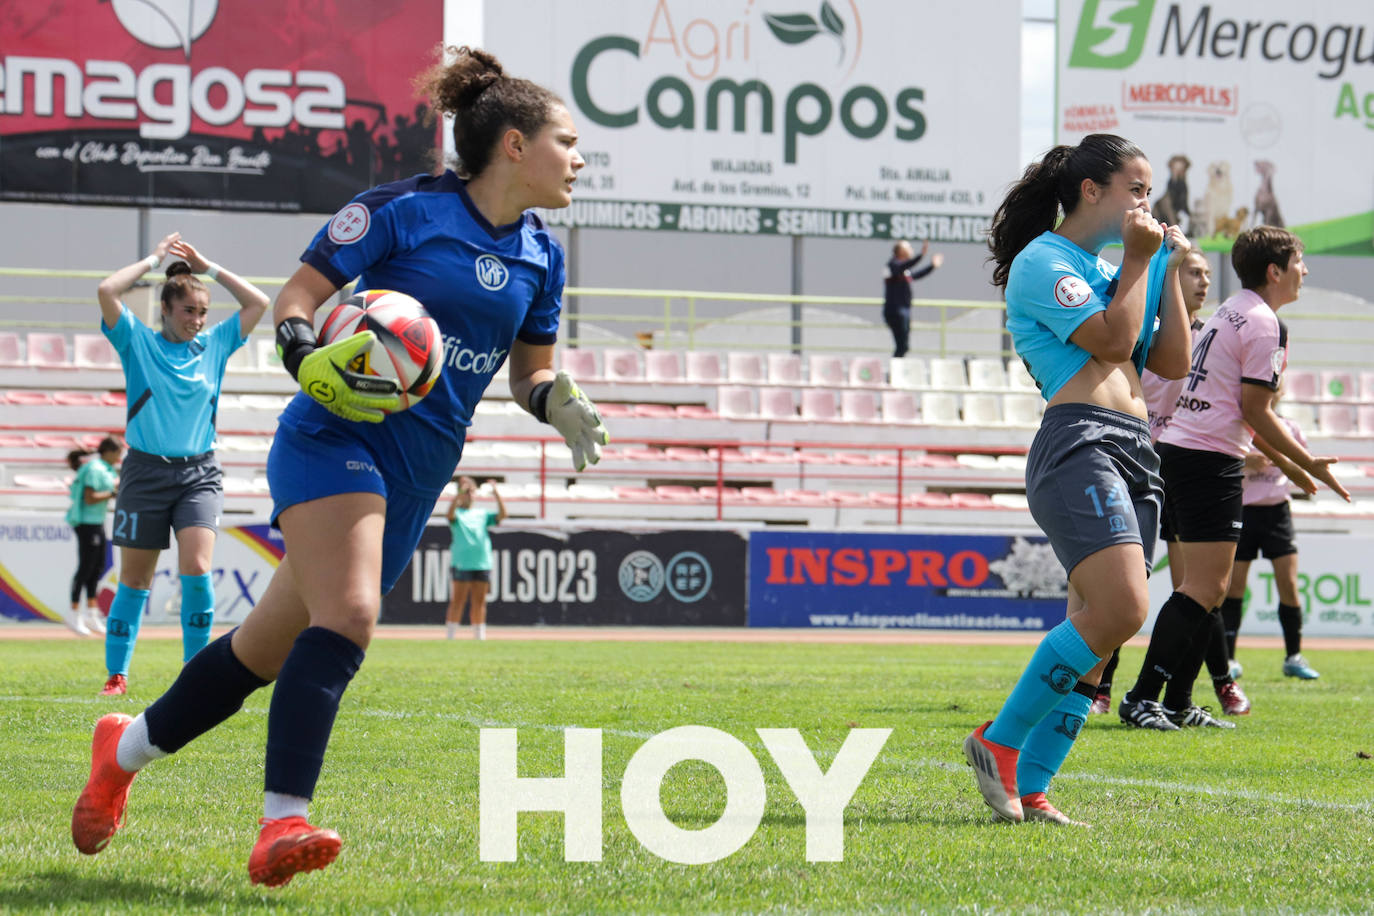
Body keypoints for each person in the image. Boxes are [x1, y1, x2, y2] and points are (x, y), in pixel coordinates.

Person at [71, 45, 608, 888]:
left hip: (419, 471)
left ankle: (123, 751)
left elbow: (528, 371)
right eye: (567, 141)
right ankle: (280, 821)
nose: (578, 159)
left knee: (262, 654)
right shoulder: (400, 211)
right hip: (333, 437)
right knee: (352, 615)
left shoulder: (546, 254)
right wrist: (302, 355)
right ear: (512, 144)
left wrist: (556, 401)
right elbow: (296, 300)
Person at [963, 134, 1193, 825]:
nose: (1147, 203)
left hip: (1134, 447)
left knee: (1098, 632)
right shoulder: (1046, 260)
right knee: (1123, 609)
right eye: (1136, 188)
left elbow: (1172, 363)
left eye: (1150, 191)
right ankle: (995, 743)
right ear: (1092, 191)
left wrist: (1169, 276)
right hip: (1080, 441)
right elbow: (1113, 344)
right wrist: (1140, 263)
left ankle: (1032, 788)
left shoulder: (1127, 264)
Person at [1116, 227, 1349, 729]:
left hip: (1187, 451)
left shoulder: (1230, 310)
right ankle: (1142, 697)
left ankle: (1177, 701)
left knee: (1211, 589)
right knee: (1203, 587)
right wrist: (1306, 463)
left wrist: (1288, 464)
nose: (1304, 271)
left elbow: (1237, 408)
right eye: (1299, 263)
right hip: (1207, 459)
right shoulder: (1265, 324)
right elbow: (1254, 410)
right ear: (1275, 271)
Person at [91, 236, 270, 695]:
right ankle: (117, 674)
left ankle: (196, 671)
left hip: (199, 474)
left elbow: (259, 302)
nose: (198, 320)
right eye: (188, 310)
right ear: (166, 310)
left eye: (202, 312)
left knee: (196, 566)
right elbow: (107, 291)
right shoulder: (137, 342)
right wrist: (154, 260)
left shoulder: (215, 344)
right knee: (135, 580)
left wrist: (208, 268)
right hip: (145, 473)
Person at [1088, 248, 1251, 718]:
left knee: (1198, 587)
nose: (1202, 281)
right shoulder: (1146, 335)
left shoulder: (1213, 340)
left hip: (1182, 470)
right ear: (1168, 281)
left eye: (1204, 273)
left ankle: (1196, 692)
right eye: (1189, 272)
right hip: (1143, 463)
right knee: (1128, 578)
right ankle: (1100, 687)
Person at [1223, 382, 1319, 680]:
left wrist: (1285, 461)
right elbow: (1221, 464)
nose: (1272, 393)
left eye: (1275, 388)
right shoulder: (1239, 426)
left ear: (1280, 393)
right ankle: (1229, 658)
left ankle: (1294, 656)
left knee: (1288, 584)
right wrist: (1245, 462)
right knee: (1234, 587)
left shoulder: (1289, 428)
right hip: (1244, 512)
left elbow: (1304, 466)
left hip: (1278, 512)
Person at [65, 437, 124, 637]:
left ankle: (91, 612)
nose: (119, 457)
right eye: (118, 453)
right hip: (86, 523)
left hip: (96, 522)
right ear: (109, 451)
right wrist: (113, 493)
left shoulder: (102, 468)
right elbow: (90, 498)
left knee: (97, 567)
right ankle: (74, 613)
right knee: (85, 568)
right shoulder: (95, 469)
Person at [445, 476, 506, 640]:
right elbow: (449, 515)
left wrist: (496, 494)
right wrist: (458, 495)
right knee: (458, 601)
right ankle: (450, 636)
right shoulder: (457, 513)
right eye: (466, 492)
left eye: (471, 492)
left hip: (482, 562)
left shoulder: (482, 514)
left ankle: (479, 636)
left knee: (479, 601)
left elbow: (502, 515)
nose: (469, 495)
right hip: (462, 563)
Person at [883, 239, 943, 357]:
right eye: (908, 248)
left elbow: (916, 275)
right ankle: (896, 369)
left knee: (904, 346)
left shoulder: (904, 270)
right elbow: (906, 265)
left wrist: (932, 266)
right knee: (902, 346)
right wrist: (921, 255)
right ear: (900, 251)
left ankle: (897, 367)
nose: (911, 250)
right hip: (895, 312)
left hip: (904, 311)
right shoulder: (892, 265)